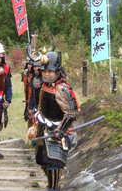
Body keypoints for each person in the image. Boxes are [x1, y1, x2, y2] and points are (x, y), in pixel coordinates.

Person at [30, 51, 79, 191]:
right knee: (42, 160)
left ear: (58, 71)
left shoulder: (62, 89)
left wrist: (61, 130)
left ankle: (54, 188)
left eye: (50, 71)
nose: (47, 74)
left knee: (54, 163)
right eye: (44, 71)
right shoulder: (44, 85)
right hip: (43, 128)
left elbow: (71, 113)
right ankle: (51, 185)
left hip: (56, 132)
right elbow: (40, 103)